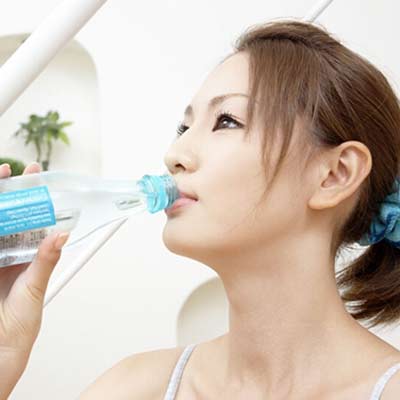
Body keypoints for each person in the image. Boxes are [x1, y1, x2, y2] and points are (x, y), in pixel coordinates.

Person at [1, 19, 400, 400]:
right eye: (184, 128)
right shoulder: (132, 389)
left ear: (335, 174)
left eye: (227, 121)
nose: (174, 154)